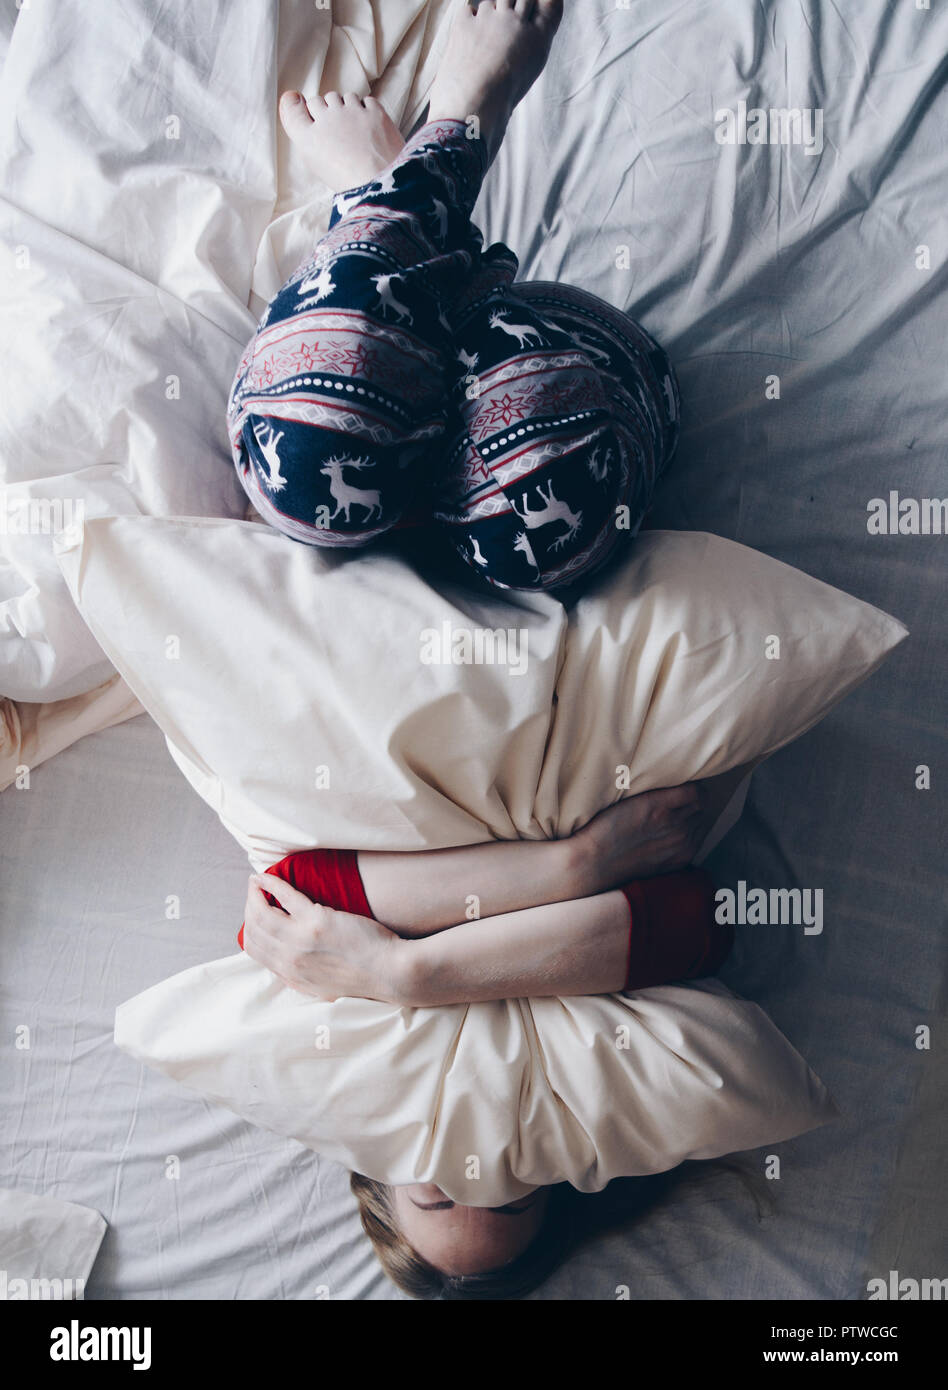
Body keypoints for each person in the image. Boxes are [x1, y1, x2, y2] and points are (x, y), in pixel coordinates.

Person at [226, 0, 680, 594]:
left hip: (450, 384)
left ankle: (396, 186)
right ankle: (439, 143)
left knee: (309, 449)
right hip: (588, 375)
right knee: (536, 501)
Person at [238, 780, 744, 1297]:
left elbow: (298, 890)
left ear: (378, 1170)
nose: (471, 1167)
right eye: (505, 1192)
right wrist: (580, 864)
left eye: (439, 1193)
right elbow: (691, 918)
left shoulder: (344, 1041)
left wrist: (404, 974)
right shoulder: (607, 1066)